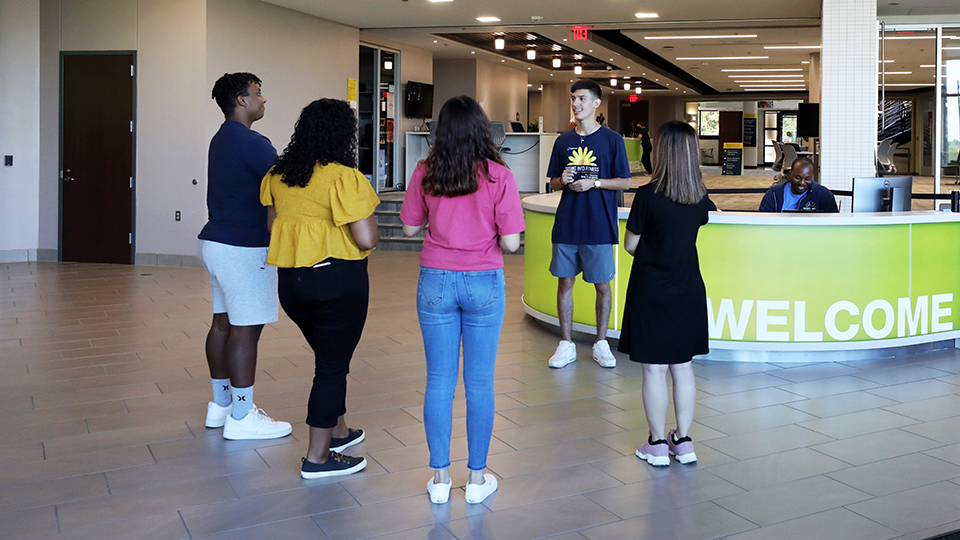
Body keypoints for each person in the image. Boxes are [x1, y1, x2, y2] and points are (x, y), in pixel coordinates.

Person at [400, 96, 525, 505]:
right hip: (483, 281)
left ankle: (438, 479)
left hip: (435, 279)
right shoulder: (498, 175)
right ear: (481, 130)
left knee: (438, 380)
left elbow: (408, 230)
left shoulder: (425, 171)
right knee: (479, 382)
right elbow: (510, 243)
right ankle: (476, 478)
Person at [260, 99, 380, 478]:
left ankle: (340, 431)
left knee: (330, 359)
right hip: (337, 281)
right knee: (331, 367)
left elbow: (272, 227)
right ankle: (318, 458)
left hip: (292, 284)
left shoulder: (278, 175)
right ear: (343, 135)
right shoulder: (343, 177)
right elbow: (365, 237)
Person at [198, 72, 292, 441]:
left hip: (216, 243)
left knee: (222, 323)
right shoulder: (252, 142)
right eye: (257, 93)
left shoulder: (220, 139)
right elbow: (285, 181)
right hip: (244, 247)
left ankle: (221, 406)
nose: (263, 100)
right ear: (241, 100)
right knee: (245, 330)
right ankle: (242, 415)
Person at [618, 120, 716, 467]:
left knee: (655, 370)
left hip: (651, 289)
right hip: (688, 287)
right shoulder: (700, 197)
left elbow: (631, 245)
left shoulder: (647, 196)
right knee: (683, 367)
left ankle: (657, 444)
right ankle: (684, 441)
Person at [546, 79, 632, 369]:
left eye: (582, 98)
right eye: (573, 98)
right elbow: (553, 182)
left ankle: (601, 342)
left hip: (599, 224)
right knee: (565, 282)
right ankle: (566, 343)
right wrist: (563, 181)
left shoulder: (612, 140)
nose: (576, 103)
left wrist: (594, 182)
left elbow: (625, 181)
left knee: (603, 286)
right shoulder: (563, 141)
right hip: (568, 223)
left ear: (596, 103)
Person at [759, 156, 838, 213]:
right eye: (797, 177)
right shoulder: (774, 194)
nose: (801, 183)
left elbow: (833, 224)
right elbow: (762, 222)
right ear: (790, 174)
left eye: (807, 179)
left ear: (812, 177)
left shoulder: (824, 195)